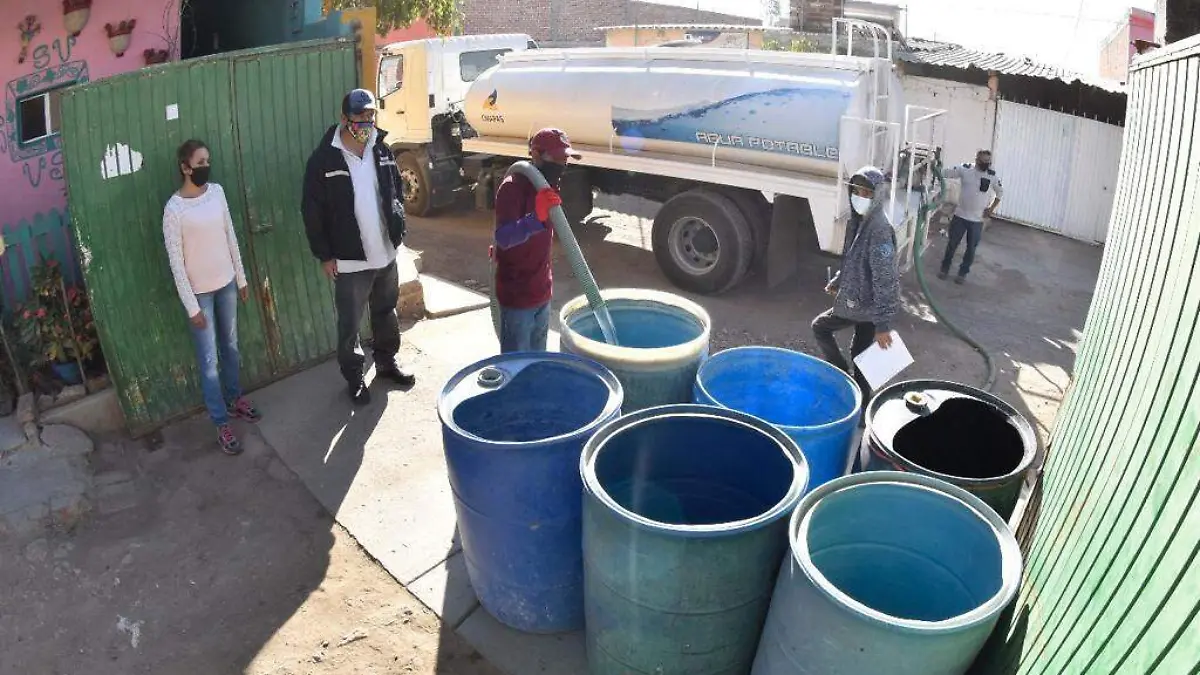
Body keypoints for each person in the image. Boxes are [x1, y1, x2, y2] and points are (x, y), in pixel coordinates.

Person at [302, 88, 415, 405]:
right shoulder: (324, 159)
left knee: (385, 312)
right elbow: (312, 211)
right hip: (350, 259)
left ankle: (386, 363)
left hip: (385, 253)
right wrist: (324, 254)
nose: (367, 122)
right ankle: (354, 378)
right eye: (360, 117)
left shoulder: (381, 149)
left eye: (370, 115)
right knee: (350, 324)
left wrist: (398, 226)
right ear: (344, 119)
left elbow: (395, 192)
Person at [163, 139, 261, 455]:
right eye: (200, 162)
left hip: (227, 284)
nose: (206, 166)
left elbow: (230, 235)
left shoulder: (216, 193)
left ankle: (235, 400)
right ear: (185, 167)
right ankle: (221, 423)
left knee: (230, 347)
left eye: (208, 161)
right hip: (200, 294)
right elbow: (175, 262)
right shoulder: (174, 209)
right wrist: (191, 306)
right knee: (208, 362)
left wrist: (241, 278)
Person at [812, 166, 900, 400]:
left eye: (867, 193)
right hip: (862, 301)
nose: (860, 198)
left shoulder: (879, 230)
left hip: (862, 304)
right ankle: (863, 403)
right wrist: (838, 281)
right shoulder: (859, 221)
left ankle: (842, 375)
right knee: (861, 353)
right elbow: (853, 260)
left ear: (878, 195)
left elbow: (886, 280)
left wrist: (883, 325)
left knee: (820, 328)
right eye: (856, 191)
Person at [491, 128, 581, 353]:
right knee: (517, 364)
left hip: (541, 289)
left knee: (538, 359)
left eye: (565, 158)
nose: (562, 163)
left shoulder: (548, 184)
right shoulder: (513, 187)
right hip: (517, 294)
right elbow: (503, 237)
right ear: (536, 155)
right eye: (557, 158)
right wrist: (535, 219)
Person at [939, 149, 1004, 284]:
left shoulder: (992, 176)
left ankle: (962, 273)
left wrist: (991, 209)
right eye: (983, 161)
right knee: (952, 244)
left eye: (988, 161)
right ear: (977, 160)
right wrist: (936, 168)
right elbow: (947, 173)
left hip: (977, 220)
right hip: (960, 216)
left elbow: (1000, 193)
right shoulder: (966, 169)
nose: (986, 164)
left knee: (971, 249)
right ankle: (944, 269)